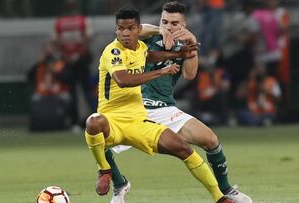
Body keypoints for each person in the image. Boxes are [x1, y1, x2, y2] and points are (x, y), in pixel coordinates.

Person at [105, 2, 252, 203]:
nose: (169, 26)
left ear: (184, 25)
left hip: (165, 108)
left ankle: (226, 190)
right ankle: (120, 184)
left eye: (174, 23)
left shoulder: (185, 46)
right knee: (100, 135)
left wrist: (192, 42)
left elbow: (190, 75)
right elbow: (138, 29)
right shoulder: (145, 37)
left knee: (210, 140)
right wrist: (160, 29)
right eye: (164, 21)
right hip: (134, 107)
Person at [54, 0, 96, 130]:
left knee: (72, 92)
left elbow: (55, 42)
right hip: (81, 60)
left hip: (68, 61)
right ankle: (94, 120)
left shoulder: (59, 23)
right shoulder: (83, 20)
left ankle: (75, 123)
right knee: (87, 91)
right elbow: (87, 39)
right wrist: (78, 54)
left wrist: (67, 56)